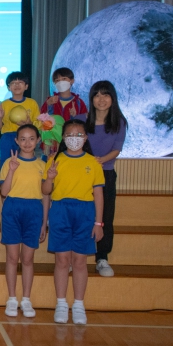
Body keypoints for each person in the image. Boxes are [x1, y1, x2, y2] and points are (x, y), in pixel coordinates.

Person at [42, 120, 104, 325]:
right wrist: (50, 178)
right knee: (61, 260)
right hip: (60, 211)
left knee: (79, 261)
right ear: (63, 137)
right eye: (70, 135)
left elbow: (98, 194)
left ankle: (78, 304)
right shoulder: (55, 160)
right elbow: (45, 191)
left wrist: (98, 223)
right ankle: (61, 303)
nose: (74, 139)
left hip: (85, 212)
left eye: (79, 135)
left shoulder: (93, 163)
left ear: (85, 138)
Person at [0, 124, 49, 318]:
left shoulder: (42, 165)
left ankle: (26, 299)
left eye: (31, 138)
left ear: (38, 140)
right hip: (12, 209)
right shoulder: (9, 163)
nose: (27, 143)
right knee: (12, 258)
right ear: (16, 141)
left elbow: (46, 196)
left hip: (34, 211)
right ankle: (12, 298)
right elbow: (4, 192)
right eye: (23, 139)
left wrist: (44, 222)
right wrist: (12, 170)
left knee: (28, 259)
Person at [83, 81, 127, 278]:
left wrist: (100, 161)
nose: (101, 99)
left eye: (106, 95)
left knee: (105, 216)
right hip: (83, 174)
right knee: (82, 214)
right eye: (97, 95)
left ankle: (102, 258)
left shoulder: (119, 122)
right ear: (91, 99)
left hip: (106, 173)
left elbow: (117, 149)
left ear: (112, 98)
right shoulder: (81, 119)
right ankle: (77, 257)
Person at [0, 72, 41, 170]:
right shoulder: (4, 104)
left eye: (20, 82)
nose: (17, 85)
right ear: (8, 87)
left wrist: (29, 124)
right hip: (8, 138)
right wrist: (0, 117)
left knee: (25, 165)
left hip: (26, 138)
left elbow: (38, 125)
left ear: (26, 86)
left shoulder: (32, 103)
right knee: (6, 165)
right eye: (13, 83)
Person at [40, 67, 88, 155]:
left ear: (72, 81)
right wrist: (48, 105)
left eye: (64, 79)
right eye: (57, 80)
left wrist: (75, 117)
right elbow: (41, 119)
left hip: (71, 141)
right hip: (53, 143)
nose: (60, 82)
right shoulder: (50, 100)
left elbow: (84, 123)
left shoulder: (79, 102)